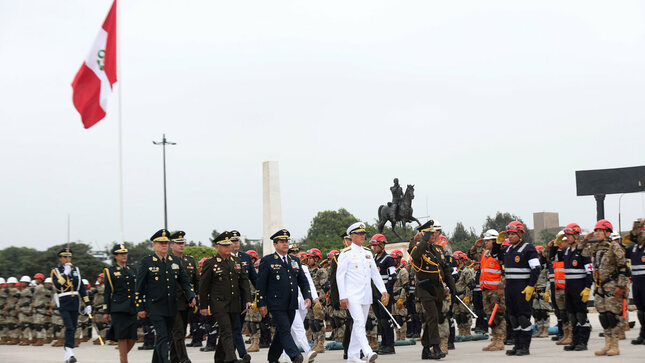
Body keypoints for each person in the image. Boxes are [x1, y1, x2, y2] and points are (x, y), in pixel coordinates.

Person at [135, 229, 196, 363]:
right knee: (162, 335)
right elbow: (138, 287)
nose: (164, 245)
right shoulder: (147, 262)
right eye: (161, 243)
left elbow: (184, 280)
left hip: (172, 306)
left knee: (166, 336)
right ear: (154, 245)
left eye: (166, 243)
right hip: (155, 306)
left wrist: (191, 295)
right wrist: (140, 307)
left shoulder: (174, 260)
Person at [256, 229, 312, 363]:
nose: (285, 244)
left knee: (282, 331)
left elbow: (303, 281)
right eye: (282, 241)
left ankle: (272, 358)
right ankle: (295, 355)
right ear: (275, 244)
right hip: (276, 303)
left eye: (286, 241)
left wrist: (307, 296)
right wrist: (261, 303)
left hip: (291, 303)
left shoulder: (294, 260)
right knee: (285, 328)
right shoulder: (267, 261)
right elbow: (261, 285)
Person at [337, 222, 388, 363]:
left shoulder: (367, 253)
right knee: (359, 322)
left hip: (366, 295)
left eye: (364, 233)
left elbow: (374, 274)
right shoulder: (345, 254)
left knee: (359, 324)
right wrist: (343, 296)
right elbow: (339, 276)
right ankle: (367, 351)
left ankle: (352, 356)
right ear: (352, 236)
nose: (362, 236)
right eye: (359, 234)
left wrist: (383, 290)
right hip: (352, 295)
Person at [199, 231, 252, 363]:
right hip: (219, 304)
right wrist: (203, 306)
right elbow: (203, 287)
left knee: (227, 332)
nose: (228, 247)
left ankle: (219, 359)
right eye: (224, 245)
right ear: (217, 247)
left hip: (234, 303)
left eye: (229, 245)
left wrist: (248, 299)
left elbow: (244, 282)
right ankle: (231, 359)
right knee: (227, 331)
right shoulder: (210, 263)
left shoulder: (236, 261)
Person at [579, 219, 629, 356]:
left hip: (612, 286)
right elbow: (580, 252)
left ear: (607, 232)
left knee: (612, 316)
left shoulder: (615, 247)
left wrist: (620, 286)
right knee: (603, 317)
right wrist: (585, 239)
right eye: (596, 231)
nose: (598, 233)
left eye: (600, 230)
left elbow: (624, 268)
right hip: (599, 287)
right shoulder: (595, 248)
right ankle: (607, 345)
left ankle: (615, 345)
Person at [491, 221, 541, 356]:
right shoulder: (508, 249)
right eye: (509, 234)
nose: (510, 237)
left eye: (513, 234)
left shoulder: (528, 248)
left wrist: (531, 285)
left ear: (520, 233)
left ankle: (525, 347)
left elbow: (536, 268)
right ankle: (517, 345)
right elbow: (495, 256)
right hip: (510, 288)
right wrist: (497, 243)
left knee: (523, 318)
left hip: (523, 288)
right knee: (512, 317)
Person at [409, 219, 456, 360]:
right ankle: (435, 347)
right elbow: (415, 256)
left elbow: (445, 269)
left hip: (437, 288)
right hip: (424, 288)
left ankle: (425, 349)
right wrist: (422, 240)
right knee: (433, 316)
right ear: (424, 235)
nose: (434, 235)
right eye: (430, 233)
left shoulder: (438, 249)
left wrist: (452, 287)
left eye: (434, 232)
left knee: (433, 318)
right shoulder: (418, 249)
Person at [550, 223, 592, 351]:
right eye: (566, 235)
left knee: (581, 316)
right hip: (568, 287)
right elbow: (553, 258)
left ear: (576, 235)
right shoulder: (567, 251)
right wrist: (554, 246)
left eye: (569, 235)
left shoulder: (583, 250)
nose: (567, 238)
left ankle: (583, 342)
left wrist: (587, 287)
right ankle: (575, 340)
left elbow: (589, 270)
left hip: (579, 287)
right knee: (572, 317)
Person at [51, 248, 91, 363]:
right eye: (65, 257)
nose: (68, 259)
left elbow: (82, 288)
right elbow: (58, 286)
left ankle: (67, 355)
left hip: (75, 302)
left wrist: (87, 303)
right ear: (60, 258)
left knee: (73, 328)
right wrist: (65, 274)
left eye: (69, 257)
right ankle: (70, 351)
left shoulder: (76, 270)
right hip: (64, 301)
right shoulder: (56, 271)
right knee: (69, 327)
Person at [168, 230, 199, 363]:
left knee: (179, 332)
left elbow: (197, 280)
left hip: (187, 302)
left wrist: (196, 296)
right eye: (178, 243)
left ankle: (173, 359)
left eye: (183, 243)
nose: (181, 245)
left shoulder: (189, 260)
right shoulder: (166, 261)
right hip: (172, 302)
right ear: (171, 245)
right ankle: (184, 359)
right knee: (179, 331)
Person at [104, 243, 138, 363]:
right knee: (122, 336)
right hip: (118, 307)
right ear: (115, 256)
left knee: (133, 337)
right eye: (121, 254)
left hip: (132, 307)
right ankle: (124, 361)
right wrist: (106, 311)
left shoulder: (132, 269)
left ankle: (122, 358)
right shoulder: (110, 271)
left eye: (125, 253)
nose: (124, 255)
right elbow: (107, 293)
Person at [229, 230, 258, 359]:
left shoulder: (245, 257)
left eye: (237, 240)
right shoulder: (224, 257)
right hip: (229, 300)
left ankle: (228, 356)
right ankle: (243, 354)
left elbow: (254, 278)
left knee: (237, 328)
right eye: (233, 241)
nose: (236, 243)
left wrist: (262, 292)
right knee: (235, 328)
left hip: (244, 299)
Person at [368, 233, 397, 354]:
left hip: (384, 294)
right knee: (380, 320)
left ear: (382, 245)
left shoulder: (388, 259)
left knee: (386, 320)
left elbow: (393, 276)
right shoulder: (374, 259)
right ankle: (383, 344)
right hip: (375, 294)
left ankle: (389, 345)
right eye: (373, 246)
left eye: (376, 245)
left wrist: (388, 293)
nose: (374, 248)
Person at [623, 219, 645, 345]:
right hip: (636, 284)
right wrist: (636, 227)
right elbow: (624, 250)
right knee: (641, 312)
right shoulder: (634, 248)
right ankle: (642, 335)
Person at [305, 248, 327, 354]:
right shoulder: (306, 270)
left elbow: (324, 287)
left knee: (319, 322)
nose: (308, 260)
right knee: (312, 322)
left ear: (316, 259)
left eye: (310, 258)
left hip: (319, 298)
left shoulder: (321, 271)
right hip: (309, 298)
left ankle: (321, 343)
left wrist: (321, 301)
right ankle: (315, 342)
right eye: (308, 258)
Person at [453, 252, 475, 337]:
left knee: (464, 314)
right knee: (457, 315)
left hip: (464, 295)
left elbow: (470, 285)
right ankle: (460, 330)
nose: (455, 261)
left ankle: (467, 331)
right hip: (456, 295)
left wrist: (468, 296)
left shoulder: (467, 271)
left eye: (456, 259)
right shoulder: (454, 271)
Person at [531, 246, 551, 339]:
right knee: (536, 312)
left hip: (543, 291)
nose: (537, 258)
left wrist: (547, 291)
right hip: (535, 292)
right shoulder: (533, 267)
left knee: (544, 312)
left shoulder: (546, 268)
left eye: (539, 256)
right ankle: (540, 330)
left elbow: (549, 280)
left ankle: (546, 330)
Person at [390, 249, 409, 341]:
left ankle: (402, 337)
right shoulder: (392, 270)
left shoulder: (403, 271)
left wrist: (402, 298)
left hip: (400, 296)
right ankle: (397, 336)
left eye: (395, 258)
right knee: (394, 318)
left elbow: (406, 286)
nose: (393, 260)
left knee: (401, 318)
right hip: (392, 297)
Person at [32, 273, 52, 346]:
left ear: (41, 280)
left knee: (39, 324)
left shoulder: (40, 287)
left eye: (37, 279)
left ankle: (40, 340)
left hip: (40, 308)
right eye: (35, 279)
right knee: (39, 324)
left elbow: (33, 292)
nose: (35, 280)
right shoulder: (41, 287)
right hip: (38, 308)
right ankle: (40, 339)